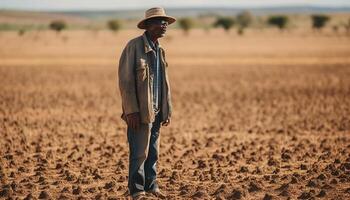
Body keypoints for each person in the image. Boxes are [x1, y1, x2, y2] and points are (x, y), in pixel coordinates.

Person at [118, 7, 175, 200]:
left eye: (165, 21)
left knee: (153, 152)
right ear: (149, 25)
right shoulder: (134, 47)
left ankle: (152, 186)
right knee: (139, 153)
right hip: (140, 112)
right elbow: (125, 82)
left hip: (157, 111)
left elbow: (163, 84)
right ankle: (137, 190)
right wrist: (131, 111)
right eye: (160, 21)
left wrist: (166, 110)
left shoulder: (160, 50)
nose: (164, 25)